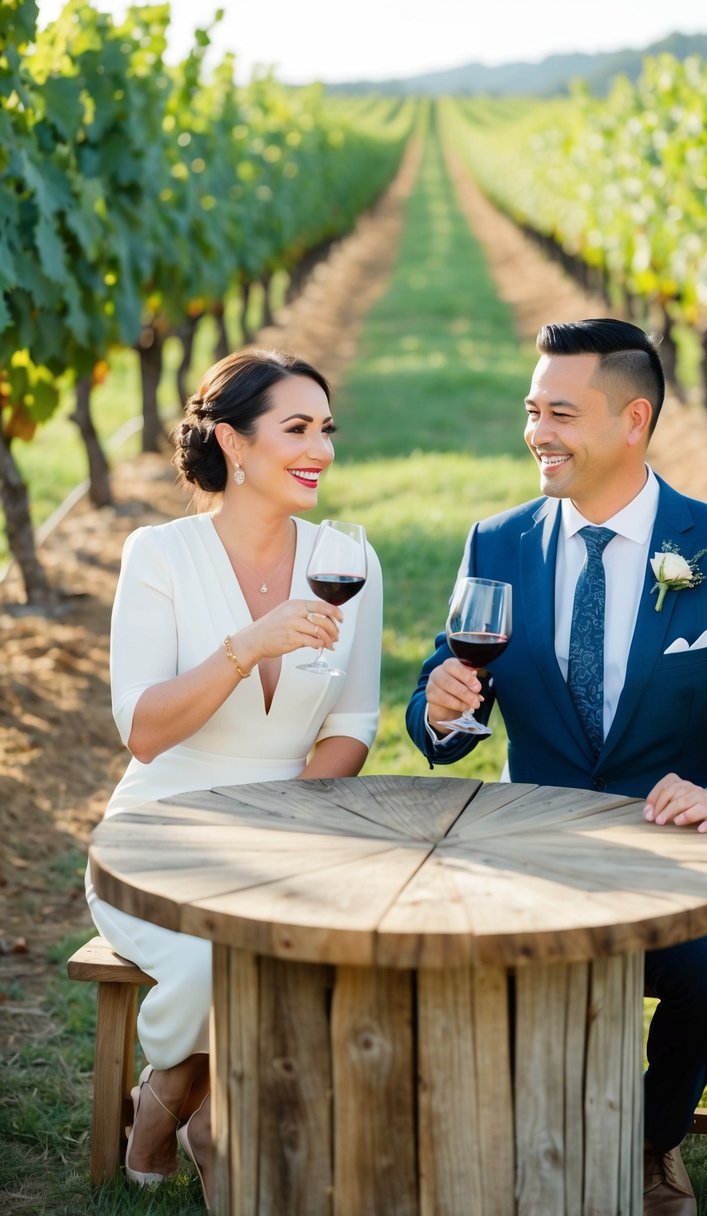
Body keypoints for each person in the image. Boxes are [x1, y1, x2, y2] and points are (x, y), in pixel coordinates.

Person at [406, 318, 707, 1215]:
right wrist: (441, 709)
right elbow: (440, 693)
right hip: (534, 857)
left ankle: (645, 1135)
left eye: (560, 412)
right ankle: (481, 1133)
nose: (536, 432)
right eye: (531, 410)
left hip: (679, 867)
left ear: (632, 420)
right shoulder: (499, 542)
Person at [86, 347, 382, 1208]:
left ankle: (175, 1098)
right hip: (160, 830)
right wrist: (245, 646)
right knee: (219, 951)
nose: (320, 448)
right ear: (234, 443)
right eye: (296, 429)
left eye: (326, 429)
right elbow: (143, 731)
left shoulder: (346, 559)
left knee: (319, 940)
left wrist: (286, 817)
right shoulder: (160, 555)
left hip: (295, 827)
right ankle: (195, 1108)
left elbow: (351, 725)